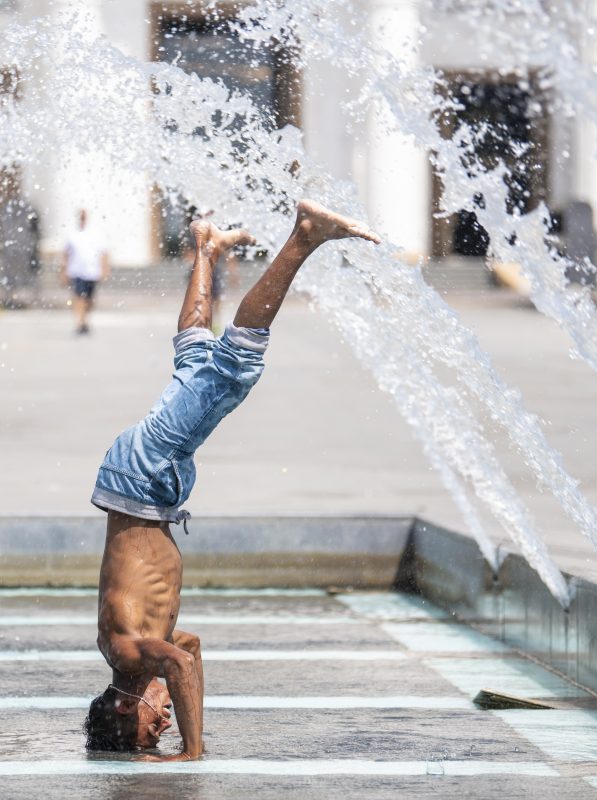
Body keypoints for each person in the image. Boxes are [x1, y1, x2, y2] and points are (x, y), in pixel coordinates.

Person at [83, 200, 380, 761]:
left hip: (145, 479)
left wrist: (193, 752)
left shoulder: (128, 655)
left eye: (151, 728)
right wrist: (183, 698)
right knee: (196, 362)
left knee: (233, 369)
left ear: (126, 706)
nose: (163, 724)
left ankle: (305, 236)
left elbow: (174, 664)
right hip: (145, 482)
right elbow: (187, 651)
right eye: (166, 731)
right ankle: (206, 247)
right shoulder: (139, 653)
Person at [61, 209, 110, 335]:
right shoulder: (72, 233)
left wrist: (105, 269)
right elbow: (66, 253)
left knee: (89, 299)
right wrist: (64, 270)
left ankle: (85, 319)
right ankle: (80, 323)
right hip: (77, 271)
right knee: (79, 297)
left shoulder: (96, 233)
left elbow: (103, 252)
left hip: (92, 271)